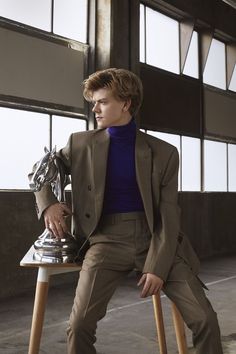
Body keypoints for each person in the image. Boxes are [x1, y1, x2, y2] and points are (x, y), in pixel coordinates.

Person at [32, 68, 223, 354]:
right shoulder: (80, 143)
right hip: (104, 240)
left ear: (126, 103)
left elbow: (169, 217)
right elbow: (41, 170)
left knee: (205, 319)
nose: (94, 108)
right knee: (80, 325)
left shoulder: (165, 152)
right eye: (94, 102)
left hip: (156, 240)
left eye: (103, 101)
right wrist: (48, 203)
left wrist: (158, 267)